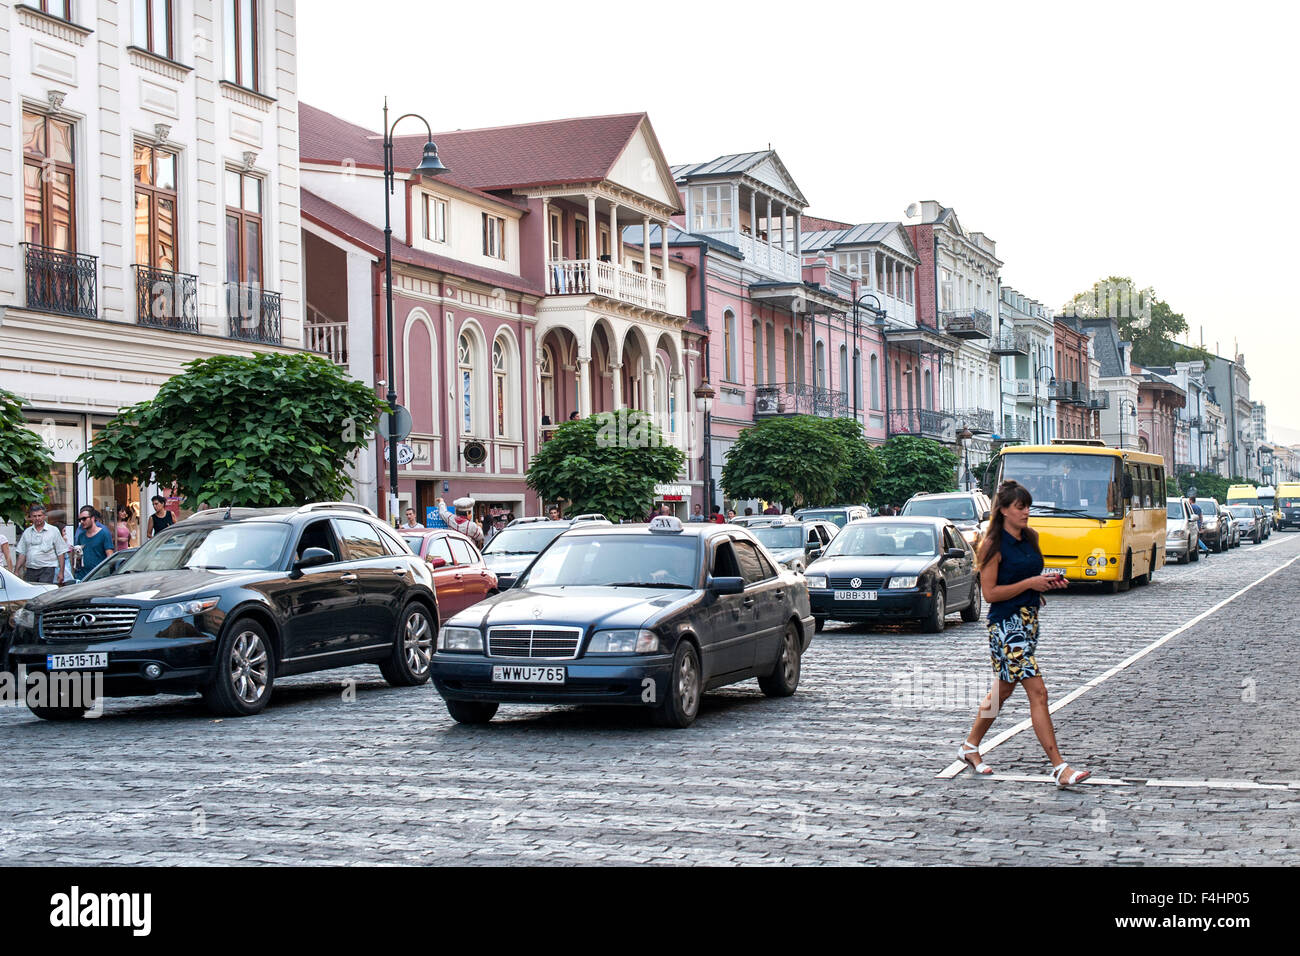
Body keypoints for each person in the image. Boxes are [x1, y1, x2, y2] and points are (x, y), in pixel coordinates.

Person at [960, 480, 1090, 789]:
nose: (1027, 512)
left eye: (1028, 506)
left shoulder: (1030, 537)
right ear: (1003, 510)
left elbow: (1026, 576)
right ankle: (1059, 767)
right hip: (1006, 627)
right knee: (1038, 691)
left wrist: (1044, 584)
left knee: (1002, 692)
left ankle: (969, 746)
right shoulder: (992, 545)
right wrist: (1030, 584)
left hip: (1029, 622)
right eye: (1020, 507)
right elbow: (990, 593)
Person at [14, 504, 68, 586]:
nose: (37, 518)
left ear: (44, 516)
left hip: (47, 569)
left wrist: (61, 572)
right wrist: (16, 570)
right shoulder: (27, 532)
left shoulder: (53, 530)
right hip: (30, 569)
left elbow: (61, 553)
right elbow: (22, 553)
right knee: (31, 593)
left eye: (39, 515)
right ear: (31, 517)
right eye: (34, 516)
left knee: (43, 591)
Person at [74, 506, 115, 581]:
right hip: (82, 577)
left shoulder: (104, 533)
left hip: (98, 577)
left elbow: (110, 557)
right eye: (79, 520)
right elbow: (78, 557)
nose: (82, 522)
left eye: (84, 519)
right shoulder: (81, 536)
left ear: (92, 518)